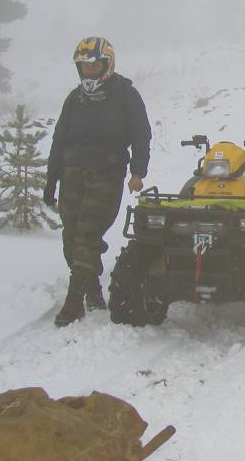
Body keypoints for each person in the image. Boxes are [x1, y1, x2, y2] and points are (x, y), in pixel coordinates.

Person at [43, 37, 151, 327]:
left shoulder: (126, 95)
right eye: (84, 67)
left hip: (107, 174)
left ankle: (74, 302)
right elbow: (59, 140)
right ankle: (92, 290)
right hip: (72, 176)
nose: (89, 72)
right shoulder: (74, 99)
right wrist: (51, 180)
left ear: (107, 64)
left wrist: (138, 172)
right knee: (71, 238)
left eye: (94, 66)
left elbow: (142, 134)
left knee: (87, 238)